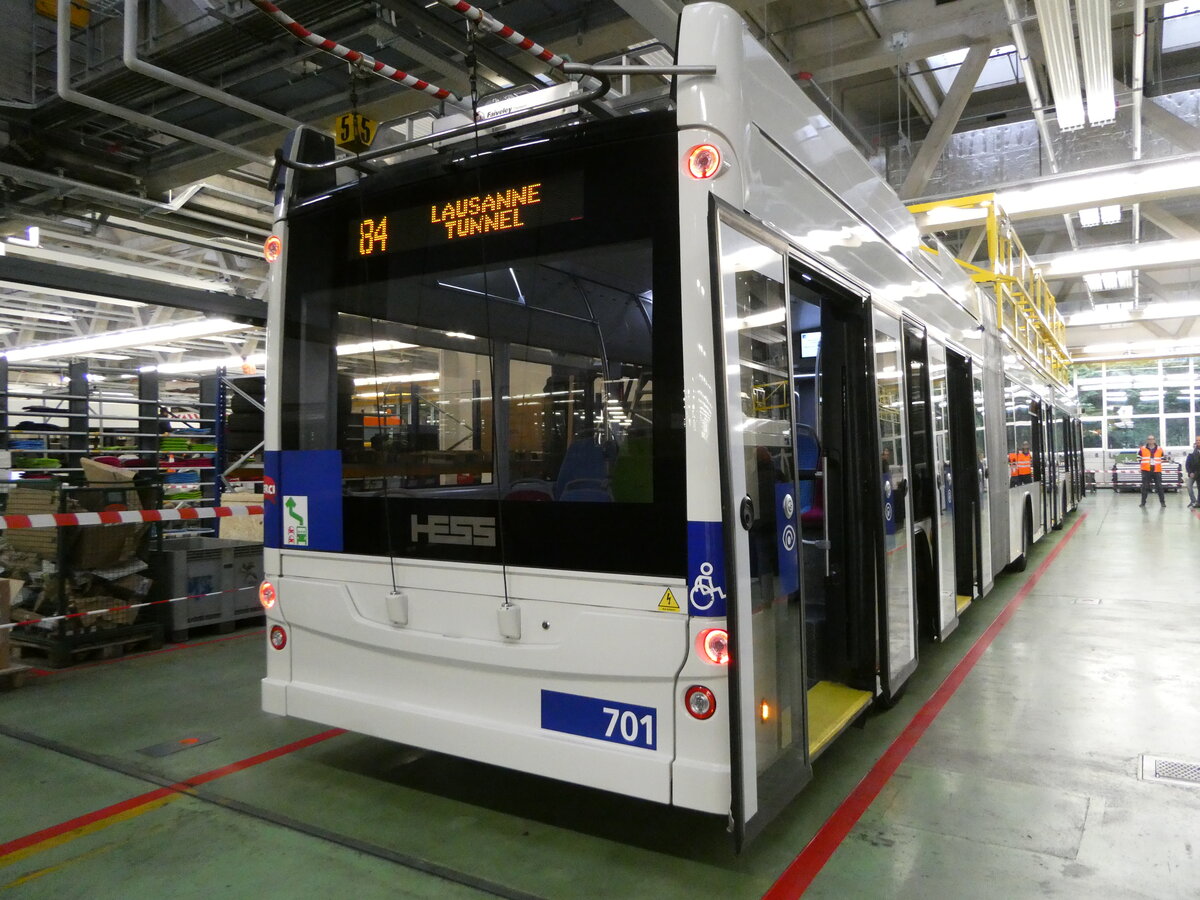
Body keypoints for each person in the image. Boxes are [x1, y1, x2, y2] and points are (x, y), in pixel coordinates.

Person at [1138, 434, 1166, 508]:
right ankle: (1143, 503)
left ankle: (1162, 502)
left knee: (1159, 487)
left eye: (1152, 439)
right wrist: (1142, 467)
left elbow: (1162, 458)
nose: (1151, 441)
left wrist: (1156, 464)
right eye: (1149, 439)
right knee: (1145, 487)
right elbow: (1139, 458)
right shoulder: (1142, 449)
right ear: (1147, 440)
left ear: (1154, 440)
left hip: (1157, 470)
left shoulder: (1160, 449)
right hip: (1146, 470)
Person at [1186, 437, 1200, 509]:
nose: (1198, 441)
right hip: (1193, 473)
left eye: (1199, 440)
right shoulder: (1192, 453)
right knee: (1188, 486)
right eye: (1197, 440)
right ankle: (1193, 501)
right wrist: (1190, 472)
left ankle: (1198, 502)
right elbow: (1187, 464)